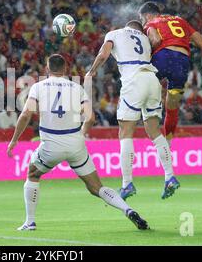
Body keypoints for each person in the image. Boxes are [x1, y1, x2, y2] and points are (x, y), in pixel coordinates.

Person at [8, 54, 149, 231]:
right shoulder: (77, 88)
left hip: (51, 144)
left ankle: (30, 222)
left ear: (47, 68)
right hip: (75, 144)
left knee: (33, 175)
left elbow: (26, 115)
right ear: (66, 69)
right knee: (96, 187)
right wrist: (82, 133)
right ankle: (127, 209)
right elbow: (91, 117)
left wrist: (14, 140)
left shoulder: (38, 87)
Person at [86, 21, 179, 200]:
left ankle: (127, 183)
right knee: (154, 132)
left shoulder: (114, 33)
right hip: (152, 79)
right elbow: (157, 42)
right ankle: (170, 176)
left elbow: (103, 53)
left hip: (133, 79)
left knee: (125, 132)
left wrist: (92, 71)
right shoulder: (144, 38)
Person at [138, 2, 202, 142]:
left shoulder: (151, 23)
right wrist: (183, 41)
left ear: (147, 15)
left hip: (162, 58)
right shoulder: (180, 20)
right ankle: (168, 142)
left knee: (141, 88)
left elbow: (156, 41)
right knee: (172, 106)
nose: (142, 22)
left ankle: (150, 131)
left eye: (142, 18)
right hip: (182, 62)